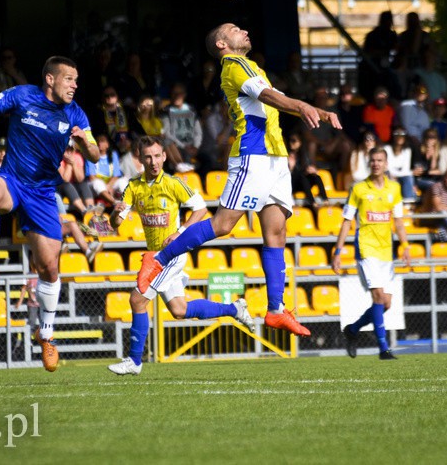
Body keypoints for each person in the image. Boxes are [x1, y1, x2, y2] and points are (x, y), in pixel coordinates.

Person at [136, 23, 341, 337]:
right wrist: (302, 106)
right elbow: (269, 96)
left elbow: (278, 96)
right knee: (223, 225)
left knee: (277, 233)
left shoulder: (252, 65)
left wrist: (315, 110)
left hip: (275, 157)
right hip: (253, 154)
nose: (244, 30)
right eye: (234, 29)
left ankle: (275, 310)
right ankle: (159, 259)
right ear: (221, 43)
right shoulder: (232, 66)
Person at [0, 55, 100, 373]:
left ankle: (47, 335)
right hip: (12, 179)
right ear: (50, 79)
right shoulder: (22, 95)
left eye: (76, 80)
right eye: (69, 79)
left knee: (49, 268)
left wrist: (83, 143)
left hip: (42, 193)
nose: (75, 85)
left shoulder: (75, 112)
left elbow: (95, 151)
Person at [107, 136, 255, 375]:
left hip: (170, 255)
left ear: (165, 156)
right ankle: (234, 309)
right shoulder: (133, 187)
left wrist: (180, 232)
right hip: (154, 254)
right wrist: (116, 214)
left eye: (157, 156)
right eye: (148, 157)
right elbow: (116, 224)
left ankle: (134, 361)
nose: (154, 162)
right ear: (140, 159)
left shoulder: (174, 184)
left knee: (137, 300)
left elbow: (201, 208)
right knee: (180, 310)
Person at [333, 147, 411, 360]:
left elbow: (398, 221)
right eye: (373, 160)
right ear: (369, 163)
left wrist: (405, 246)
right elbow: (347, 221)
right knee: (377, 296)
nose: (376, 163)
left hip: (387, 251)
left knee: (386, 303)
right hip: (366, 249)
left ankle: (353, 329)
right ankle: (383, 349)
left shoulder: (394, 188)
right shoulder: (358, 189)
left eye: (380, 160)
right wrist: (338, 252)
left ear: (386, 164)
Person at [161, 82, 202, 172]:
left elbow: (198, 131)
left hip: (193, 146)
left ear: (184, 95)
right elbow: (167, 133)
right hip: (178, 146)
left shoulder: (191, 110)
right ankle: (182, 169)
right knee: (167, 142)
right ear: (171, 95)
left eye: (180, 93)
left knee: (208, 160)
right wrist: (184, 146)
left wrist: (196, 146)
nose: (177, 96)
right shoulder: (166, 112)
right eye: (174, 93)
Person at [287, 132, 328, 211]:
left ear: (300, 142)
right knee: (303, 177)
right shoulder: (287, 155)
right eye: (290, 140)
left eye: (294, 140)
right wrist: (291, 168)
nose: (291, 143)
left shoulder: (304, 156)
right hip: (293, 183)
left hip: (303, 183)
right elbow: (287, 176)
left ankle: (325, 199)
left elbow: (306, 169)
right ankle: (313, 203)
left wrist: (312, 170)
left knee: (316, 176)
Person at [384, 127, 419, 202]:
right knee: (390, 177)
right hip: (388, 175)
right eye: (397, 134)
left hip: (401, 176)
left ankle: (408, 203)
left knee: (408, 178)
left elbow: (406, 170)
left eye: (402, 134)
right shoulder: (387, 148)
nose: (400, 137)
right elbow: (387, 168)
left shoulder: (407, 150)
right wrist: (409, 172)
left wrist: (397, 174)